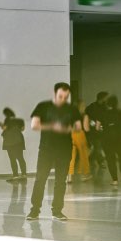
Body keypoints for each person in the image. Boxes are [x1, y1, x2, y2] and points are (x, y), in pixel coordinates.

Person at [27, 82, 78, 221]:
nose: (63, 99)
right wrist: (52, 126)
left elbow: (78, 126)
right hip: (46, 149)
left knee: (61, 182)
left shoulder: (72, 109)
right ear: (54, 93)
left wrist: (71, 128)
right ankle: (34, 210)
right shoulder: (43, 106)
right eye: (61, 96)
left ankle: (57, 211)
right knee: (40, 180)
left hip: (64, 149)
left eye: (66, 97)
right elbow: (34, 125)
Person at [0, 107, 27, 182]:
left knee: (12, 159)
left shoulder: (7, 120)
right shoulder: (20, 120)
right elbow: (22, 129)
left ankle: (15, 175)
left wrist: (1, 125)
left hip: (10, 141)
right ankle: (24, 174)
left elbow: (5, 128)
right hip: (19, 140)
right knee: (20, 158)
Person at [68, 97, 92, 182]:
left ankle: (69, 177)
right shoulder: (84, 115)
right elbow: (86, 128)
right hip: (80, 135)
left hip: (71, 135)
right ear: (81, 106)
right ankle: (84, 175)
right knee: (84, 155)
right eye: (84, 105)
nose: (85, 107)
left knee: (72, 156)